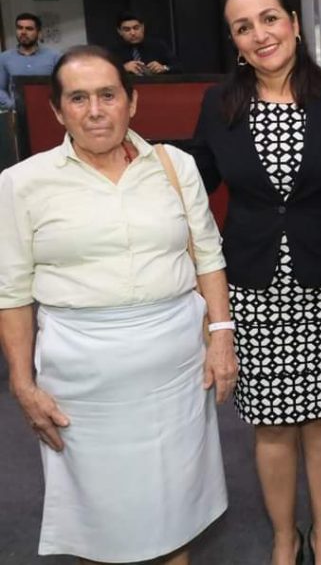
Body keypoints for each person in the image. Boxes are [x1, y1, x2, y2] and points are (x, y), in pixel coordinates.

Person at [0, 45, 236, 564]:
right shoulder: (21, 184)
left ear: (132, 102)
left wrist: (222, 337)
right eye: (78, 98)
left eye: (108, 95)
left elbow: (208, 256)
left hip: (175, 368)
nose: (95, 110)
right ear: (57, 111)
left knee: (175, 507)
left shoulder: (175, 167)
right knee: (99, 518)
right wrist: (22, 383)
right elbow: (12, 294)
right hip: (81, 377)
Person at [191, 0, 321, 565]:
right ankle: (283, 535)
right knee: (270, 425)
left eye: (269, 18)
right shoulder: (219, 104)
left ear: (295, 23)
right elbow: (195, 184)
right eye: (243, 27)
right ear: (234, 42)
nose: (260, 34)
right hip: (252, 287)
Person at [0, 12, 62, 109]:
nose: (23, 32)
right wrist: (11, 105)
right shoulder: (4, 58)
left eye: (29, 29)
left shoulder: (54, 57)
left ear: (39, 33)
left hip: (48, 110)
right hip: (19, 113)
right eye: (20, 28)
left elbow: (63, 86)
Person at [111, 11, 180, 75]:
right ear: (119, 31)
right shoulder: (113, 52)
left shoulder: (158, 46)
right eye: (127, 30)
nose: (132, 33)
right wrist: (123, 68)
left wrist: (164, 68)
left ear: (142, 27)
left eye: (136, 28)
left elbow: (178, 68)